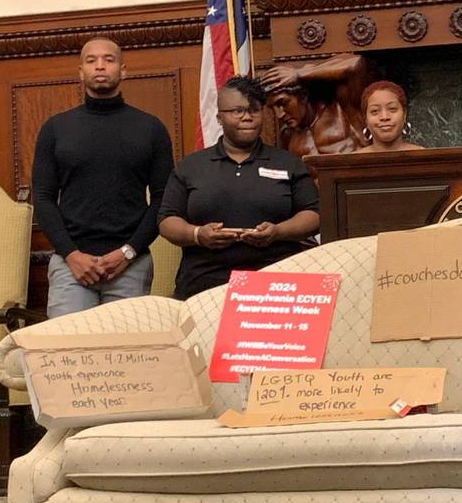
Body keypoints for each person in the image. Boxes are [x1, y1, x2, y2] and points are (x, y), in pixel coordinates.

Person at [32, 37, 174, 317]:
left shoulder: (151, 128)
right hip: (70, 263)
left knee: (126, 356)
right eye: (91, 60)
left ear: (123, 70)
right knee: (65, 353)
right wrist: (71, 255)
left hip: (130, 263)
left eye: (108, 60)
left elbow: (164, 199)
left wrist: (128, 252)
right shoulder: (55, 128)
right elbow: (44, 198)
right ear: (80, 72)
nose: (100, 66)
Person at [158, 75, 320, 300]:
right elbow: (166, 220)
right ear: (219, 118)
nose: (247, 117)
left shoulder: (287, 162)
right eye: (237, 111)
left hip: (274, 283)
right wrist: (197, 234)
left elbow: (313, 214)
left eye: (254, 110)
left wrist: (278, 232)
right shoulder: (191, 166)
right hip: (204, 285)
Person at [258, 52, 371, 156]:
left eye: (283, 103)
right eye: (272, 108)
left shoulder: (343, 109)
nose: (279, 115)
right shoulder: (288, 135)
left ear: (303, 95)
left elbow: (355, 63)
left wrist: (299, 74)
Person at [353, 81, 424, 153]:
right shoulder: (352, 161)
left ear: (404, 114)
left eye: (392, 109)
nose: (384, 117)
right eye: (375, 111)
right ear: (365, 118)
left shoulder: (425, 157)